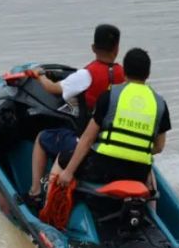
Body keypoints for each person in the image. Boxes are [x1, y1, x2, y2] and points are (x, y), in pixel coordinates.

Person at [24, 24, 125, 206]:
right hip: (112, 140)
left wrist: (40, 76)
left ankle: (35, 192)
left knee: (42, 138)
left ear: (93, 48)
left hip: (86, 141)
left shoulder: (86, 75)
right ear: (117, 48)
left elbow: (53, 88)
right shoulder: (123, 75)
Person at [55, 47, 170, 189]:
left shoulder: (109, 96)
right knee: (150, 172)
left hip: (103, 169)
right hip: (138, 173)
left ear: (124, 72)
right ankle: (151, 208)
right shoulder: (160, 103)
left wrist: (68, 172)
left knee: (62, 159)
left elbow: (87, 139)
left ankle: (46, 204)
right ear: (148, 74)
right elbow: (159, 147)